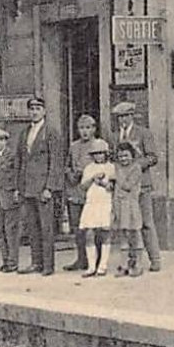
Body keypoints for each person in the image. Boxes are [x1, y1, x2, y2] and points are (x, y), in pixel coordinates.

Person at [110, 100, 163, 272]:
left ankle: (155, 259)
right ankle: (132, 260)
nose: (122, 120)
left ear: (132, 115)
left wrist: (135, 167)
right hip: (123, 188)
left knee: (146, 222)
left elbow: (153, 157)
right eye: (119, 117)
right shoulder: (113, 136)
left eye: (125, 116)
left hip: (141, 186)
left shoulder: (143, 133)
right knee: (127, 224)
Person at [14, 96, 64, 276]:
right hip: (27, 188)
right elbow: (19, 160)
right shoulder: (24, 132)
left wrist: (49, 187)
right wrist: (18, 187)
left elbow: (56, 161)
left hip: (43, 188)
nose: (34, 112)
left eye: (37, 108)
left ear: (44, 111)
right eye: (31, 109)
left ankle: (48, 265)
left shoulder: (51, 132)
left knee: (46, 227)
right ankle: (36, 262)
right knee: (32, 228)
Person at [65, 113, 100, 271]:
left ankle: (97, 259)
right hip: (75, 191)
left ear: (94, 129)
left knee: (94, 226)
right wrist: (70, 174)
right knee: (78, 228)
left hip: (92, 191)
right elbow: (66, 165)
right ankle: (81, 258)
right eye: (81, 128)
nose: (85, 131)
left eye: (88, 128)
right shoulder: (73, 146)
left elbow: (103, 166)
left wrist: (85, 172)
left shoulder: (99, 145)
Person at [77, 139, 114, 277]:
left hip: (105, 202)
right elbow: (83, 186)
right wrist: (92, 178)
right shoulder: (89, 168)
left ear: (106, 154)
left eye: (101, 153)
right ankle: (91, 266)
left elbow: (113, 187)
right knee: (89, 233)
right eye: (95, 154)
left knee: (105, 232)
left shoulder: (111, 167)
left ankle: (102, 265)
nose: (98, 156)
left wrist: (103, 183)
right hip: (92, 202)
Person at [0, 127, 21, 272]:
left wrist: (16, 191)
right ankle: (5, 260)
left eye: (1, 140)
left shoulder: (12, 156)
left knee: (11, 231)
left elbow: (17, 174)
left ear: (6, 141)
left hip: (9, 196)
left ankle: (13, 262)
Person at [111, 141, 148, 276]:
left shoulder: (136, 168)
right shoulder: (117, 168)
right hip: (120, 206)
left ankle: (138, 264)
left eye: (126, 156)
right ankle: (124, 264)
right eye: (120, 156)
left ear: (132, 156)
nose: (123, 159)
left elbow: (127, 186)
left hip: (131, 206)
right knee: (123, 236)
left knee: (135, 234)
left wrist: (117, 173)